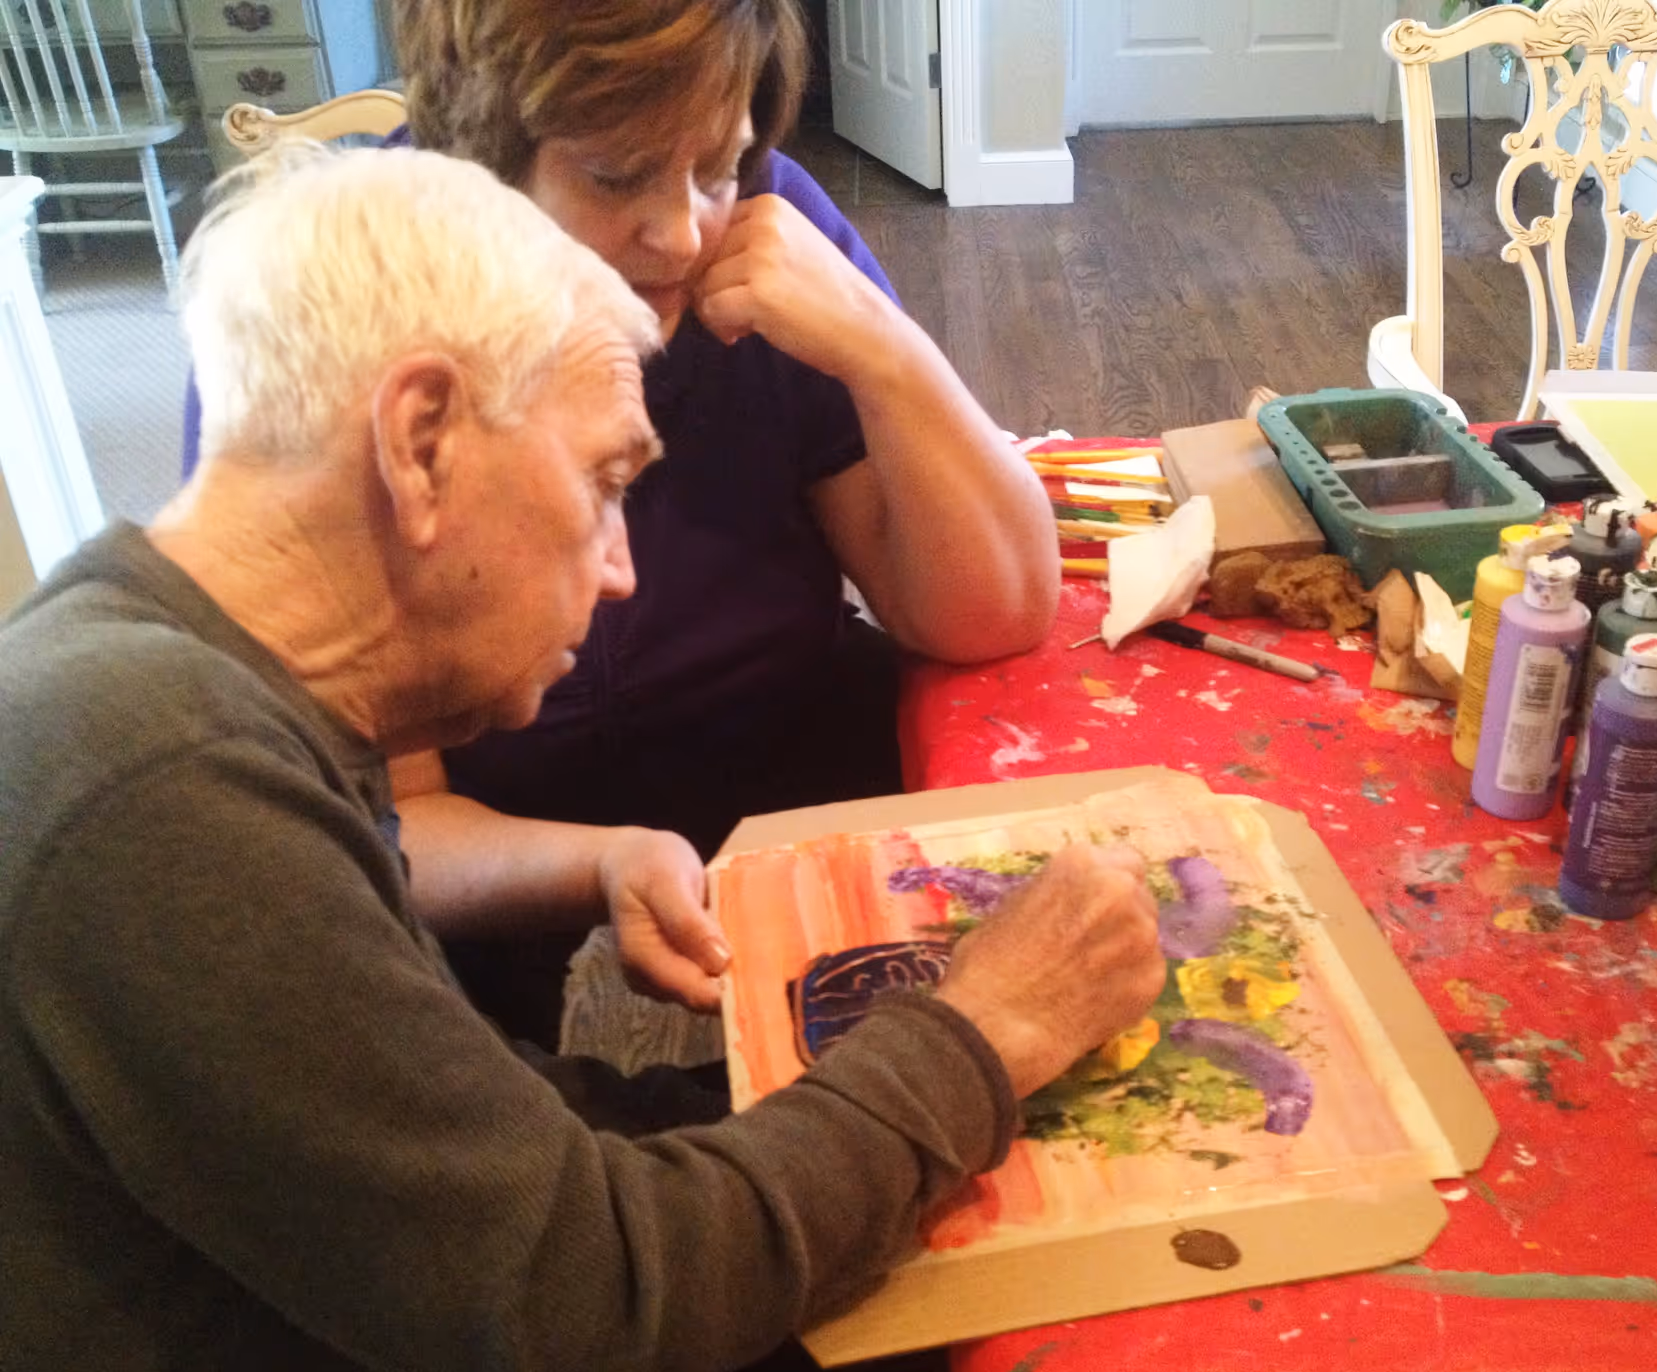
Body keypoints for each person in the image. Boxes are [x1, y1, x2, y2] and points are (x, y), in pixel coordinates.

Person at [0, 147, 1163, 1372]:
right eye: (608, 482)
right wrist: (990, 1029)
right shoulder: (162, 795)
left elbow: (498, 1144)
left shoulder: (153, 668)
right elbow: (588, 1312)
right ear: (420, 442)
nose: (620, 571)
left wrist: (777, 1108)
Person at [176, 0, 1062, 1048]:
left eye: (717, 167)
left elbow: (992, 612)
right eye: (615, 176)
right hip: (486, 822)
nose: (684, 233)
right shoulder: (334, 313)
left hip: (781, 740)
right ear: (480, 161)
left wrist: (885, 346)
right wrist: (601, 862)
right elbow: (383, 823)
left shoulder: (772, 224)